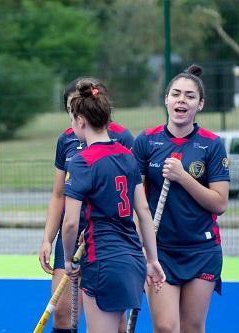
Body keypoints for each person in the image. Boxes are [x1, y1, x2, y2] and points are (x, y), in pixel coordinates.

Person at [61, 79, 166, 333]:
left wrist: (67, 260)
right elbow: (143, 213)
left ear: (81, 121)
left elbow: (71, 222)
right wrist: (151, 259)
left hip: (102, 260)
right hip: (133, 259)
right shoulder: (127, 156)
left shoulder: (81, 161)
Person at [132, 64, 230, 333]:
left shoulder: (212, 144)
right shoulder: (146, 141)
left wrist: (183, 177)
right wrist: (140, 246)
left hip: (201, 249)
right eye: (176, 94)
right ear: (166, 99)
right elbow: (136, 204)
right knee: (165, 327)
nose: (181, 100)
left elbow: (219, 203)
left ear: (200, 104)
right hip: (159, 250)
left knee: (192, 327)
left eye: (189, 96)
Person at [38, 77, 134, 333]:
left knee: (112, 317)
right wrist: (48, 238)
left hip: (106, 236)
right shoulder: (65, 140)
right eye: (72, 108)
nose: (78, 114)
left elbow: (134, 196)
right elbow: (58, 194)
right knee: (62, 312)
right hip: (71, 233)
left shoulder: (122, 138)